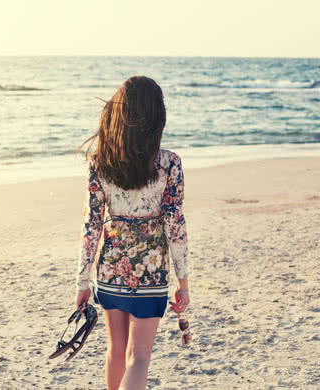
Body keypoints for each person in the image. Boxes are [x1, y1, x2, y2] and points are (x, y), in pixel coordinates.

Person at [75, 75, 190, 390]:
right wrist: (183, 283)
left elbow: (92, 226)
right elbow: (175, 226)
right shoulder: (170, 163)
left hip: (111, 270)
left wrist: (82, 282)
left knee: (115, 352)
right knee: (138, 358)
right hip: (151, 272)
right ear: (156, 116)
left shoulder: (100, 163)